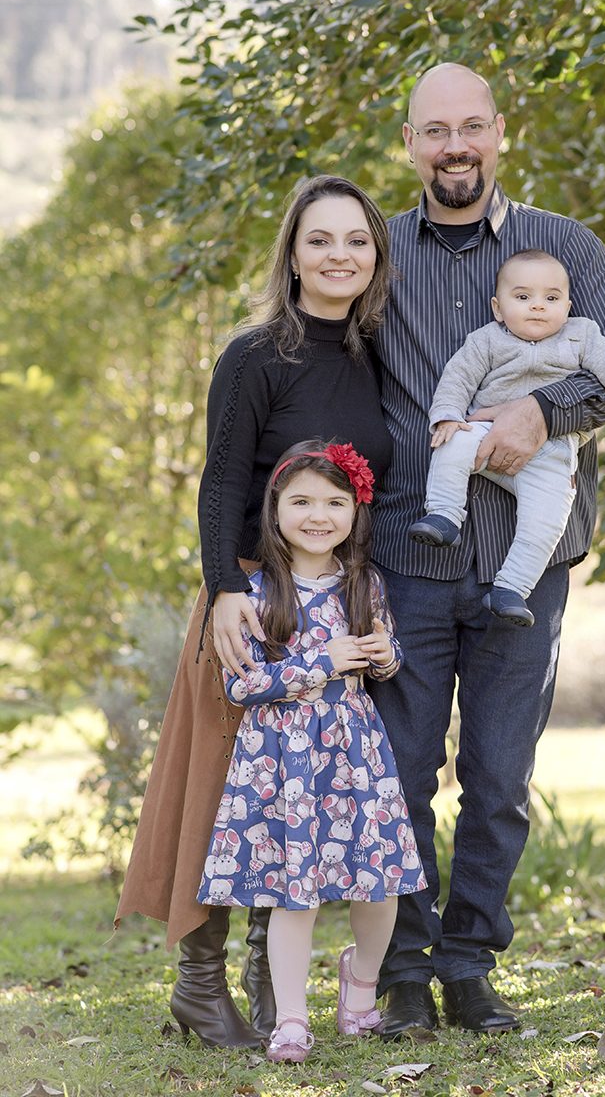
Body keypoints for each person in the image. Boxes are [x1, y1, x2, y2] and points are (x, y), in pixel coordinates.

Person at [368, 63, 605, 1037]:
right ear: (410, 144)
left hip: (523, 571)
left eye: (470, 127)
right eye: (434, 131)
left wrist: (545, 409)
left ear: (499, 132)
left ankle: (467, 966)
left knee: (497, 781)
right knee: (402, 774)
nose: (454, 146)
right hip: (407, 556)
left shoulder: (564, 247)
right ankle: (402, 973)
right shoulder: (374, 251)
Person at [115, 176, 395, 1049]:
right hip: (251, 597)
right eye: (320, 239)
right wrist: (225, 592)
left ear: (377, 255)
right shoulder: (254, 355)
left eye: (357, 239)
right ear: (293, 255)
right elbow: (222, 481)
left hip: (333, 598)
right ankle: (200, 985)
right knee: (219, 789)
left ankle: (272, 986)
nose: (340, 254)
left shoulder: (379, 355)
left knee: (296, 796)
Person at [195, 441, 426, 1063]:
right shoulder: (252, 591)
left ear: (355, 512)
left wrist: (385, 655)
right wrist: (320, 662)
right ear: (274, 510)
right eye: (300, 502)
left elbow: (382, 662)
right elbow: (241, 685)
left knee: (379, 882)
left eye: (334, 502)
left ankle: (361, 988)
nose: (318, 515)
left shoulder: (365, 584)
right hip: (284, 757)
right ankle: (292, 1019)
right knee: (294, 890)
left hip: (354, 751)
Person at [408, 248, 605, 627]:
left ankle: (512, 588)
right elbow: (457, 377)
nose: (538, 306)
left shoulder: (582, 335)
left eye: (551, 298)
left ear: (567, 307)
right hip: (488, 431)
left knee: (549, 518)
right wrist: (447, 415)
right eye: (523, 297)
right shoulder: (486, 340)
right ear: (498, 308)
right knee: (452, 442)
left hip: (552, 450)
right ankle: (444, 515)